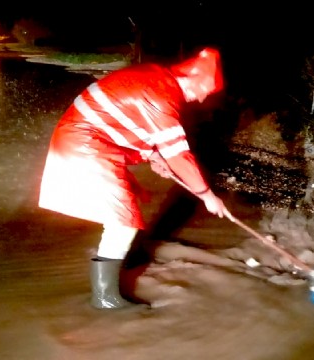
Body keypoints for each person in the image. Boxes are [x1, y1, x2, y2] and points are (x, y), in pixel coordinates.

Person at [38, 47, 228, 309]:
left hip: (85, 138)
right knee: (122, 220)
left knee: (128, 207)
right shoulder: (161, 95)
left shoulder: (154, 77)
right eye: (203, 90)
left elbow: (128, 118)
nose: (200, 98)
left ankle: (120, 263)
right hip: (85, 144)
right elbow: (179, 153)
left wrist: (155, 156)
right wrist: (207, 195)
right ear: (191, 78)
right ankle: (105, 299)